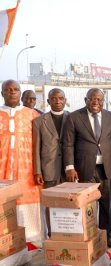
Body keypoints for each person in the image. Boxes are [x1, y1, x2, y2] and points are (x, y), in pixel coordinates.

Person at [62, 88, 111, 248]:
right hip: (84, 167)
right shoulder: (74, 117)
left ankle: (106, 235)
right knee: (88, 203)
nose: (96, 102)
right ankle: (88, 234)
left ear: (103, 101)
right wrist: (69, 167)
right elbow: (68, 144)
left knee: (106, 202)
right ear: (86, 100)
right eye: (92, 99)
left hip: (106, 167)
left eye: (99, 100)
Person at [0, 80, 43, 243]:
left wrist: (39, 170)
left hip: (26, 168)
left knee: (27, 200)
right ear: (2, 93)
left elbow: (41, 145)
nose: (12, 92)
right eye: (8, 90)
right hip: (2, 169)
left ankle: (31, 239)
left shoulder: (32, 115)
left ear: (20, 93)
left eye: (15, 89)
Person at [32, 88, 69, 237]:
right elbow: (36, 148)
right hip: (49, 169)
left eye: (61, 98)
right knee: (50, 203)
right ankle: (52, 234)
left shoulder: (73, 118)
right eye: (54, 99)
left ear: (65, 100)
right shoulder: (39, 122)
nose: (58, 101)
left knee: (68, 202)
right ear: (48, 101)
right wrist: (37, 171)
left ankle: (67, 232)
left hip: (67, 169)